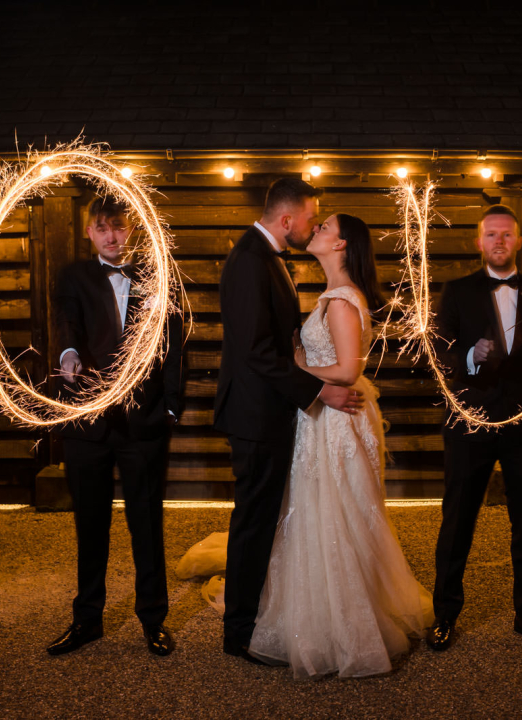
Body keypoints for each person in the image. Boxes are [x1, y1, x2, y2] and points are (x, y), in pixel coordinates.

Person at [246, 213, 433, 678]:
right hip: (322, 417)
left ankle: (350, 629)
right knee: (318, 513)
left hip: (335, 419)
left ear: (342, 244)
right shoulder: (330, 298)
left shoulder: (343, 302)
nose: (317, 230)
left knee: (339, 513)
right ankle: (321, 618)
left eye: (325, 226)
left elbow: (348, 371)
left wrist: (294, 370)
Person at [214, 178, 362, 664]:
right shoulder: (250, 262)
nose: (311, 225)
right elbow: (257, 353)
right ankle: (238, 633)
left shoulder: (268, 259)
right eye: (309, 217)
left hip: (272, 413)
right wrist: (319, 388)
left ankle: (255, 618)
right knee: (253, 522)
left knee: (263, 520)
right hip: (256, 417)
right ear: (286, 220)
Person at [46, 196, 184, 658]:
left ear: (132, 229)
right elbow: (65, 323)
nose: (111, 236)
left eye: (119, 227)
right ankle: (87, 620)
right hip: (86, 421)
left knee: (146, 523)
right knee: (90, 524)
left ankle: (153, 620)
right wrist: (68, 355)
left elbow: (173, 343)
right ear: (89, 232)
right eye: (102, 228)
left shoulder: (158, 276)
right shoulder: (73, 276)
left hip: (143, 423)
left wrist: (171, 408)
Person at [428, 204, 522, 651]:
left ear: (520, 241)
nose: (499, 241)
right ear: (478, 242)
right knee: (458, 521)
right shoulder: (455, 291)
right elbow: (440, 353)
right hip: (470, 421)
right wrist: (471, 355)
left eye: (507, 234)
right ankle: (445, 616)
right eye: (491, 234)